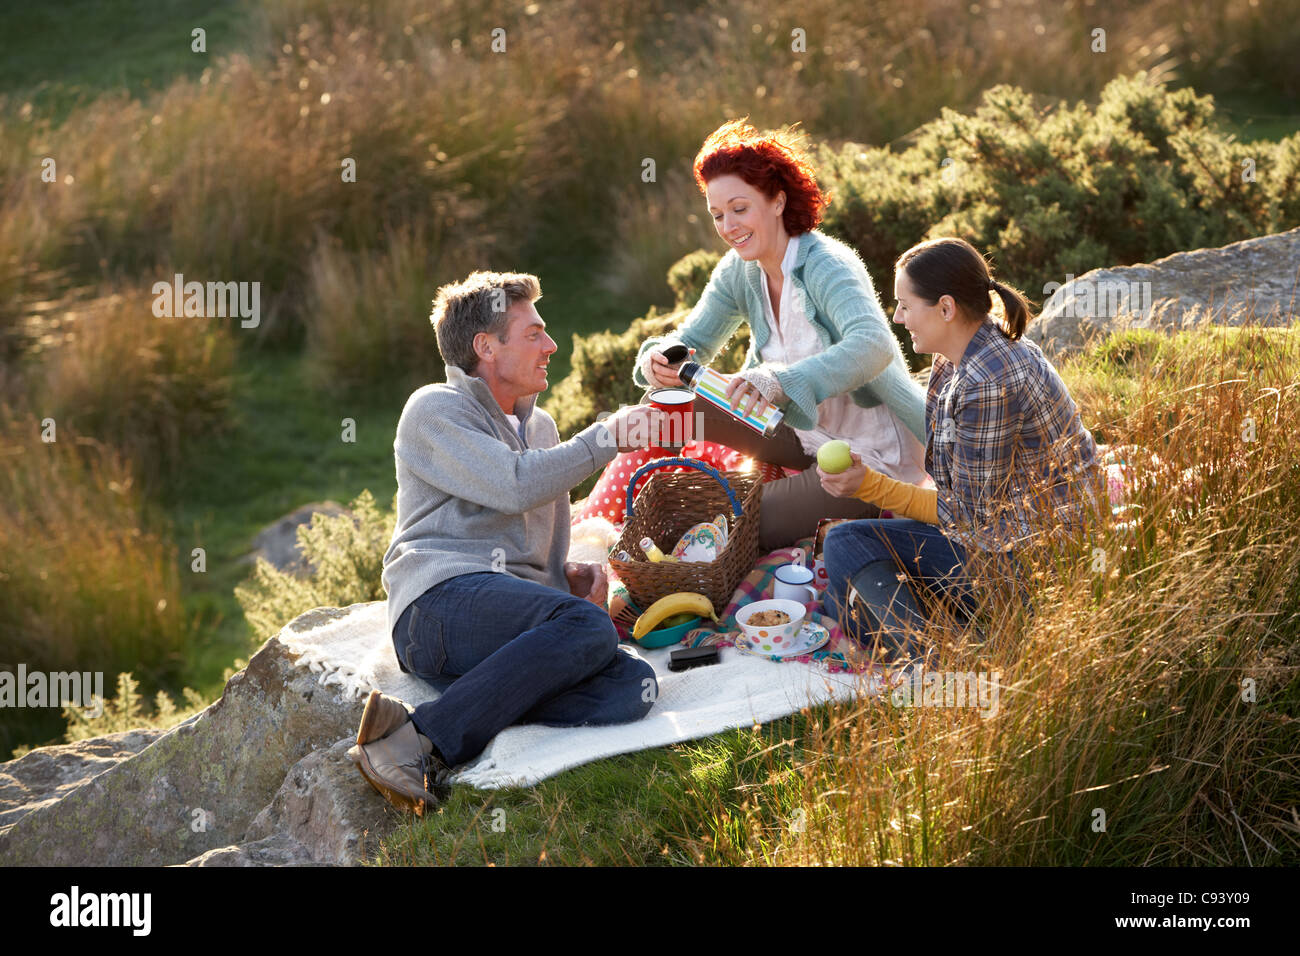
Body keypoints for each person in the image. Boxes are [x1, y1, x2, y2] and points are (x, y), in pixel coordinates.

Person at [348, 270, 667, 815]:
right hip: (436, 609)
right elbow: (513, 484)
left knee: (631, 682)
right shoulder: (434, 410)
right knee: (587, 627)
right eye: (534, 334)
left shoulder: (539, 427)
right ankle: (412, 741)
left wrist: (558, 576)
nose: (551, 345)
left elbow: (525, 526)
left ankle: (474, 706)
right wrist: (610, 434)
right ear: (486, 347)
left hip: (495, 626)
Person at [632, 119, 928, 552]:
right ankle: (650, 506)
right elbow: (692, 339)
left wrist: (779, 382)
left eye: (739, 208)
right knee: (660, 409)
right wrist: (658, 359)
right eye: (717, 215)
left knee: (739, 520)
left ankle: (693, 530)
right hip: (796, 431)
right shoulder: (740, 269)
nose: (728, 226)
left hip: (867, 451)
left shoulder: (827, 265)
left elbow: (875, 344)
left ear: (777, 201)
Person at [817, 237, 1105, 664]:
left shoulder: (988, 381)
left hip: (1035, 564)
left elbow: (967, 515)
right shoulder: (958, 355)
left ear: (946, 308)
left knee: (845, 546)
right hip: (1005, 534)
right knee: (848, 569)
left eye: (904, 305)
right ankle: (939, 628)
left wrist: (871, 486)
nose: (897, 317)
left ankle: (932, 662)